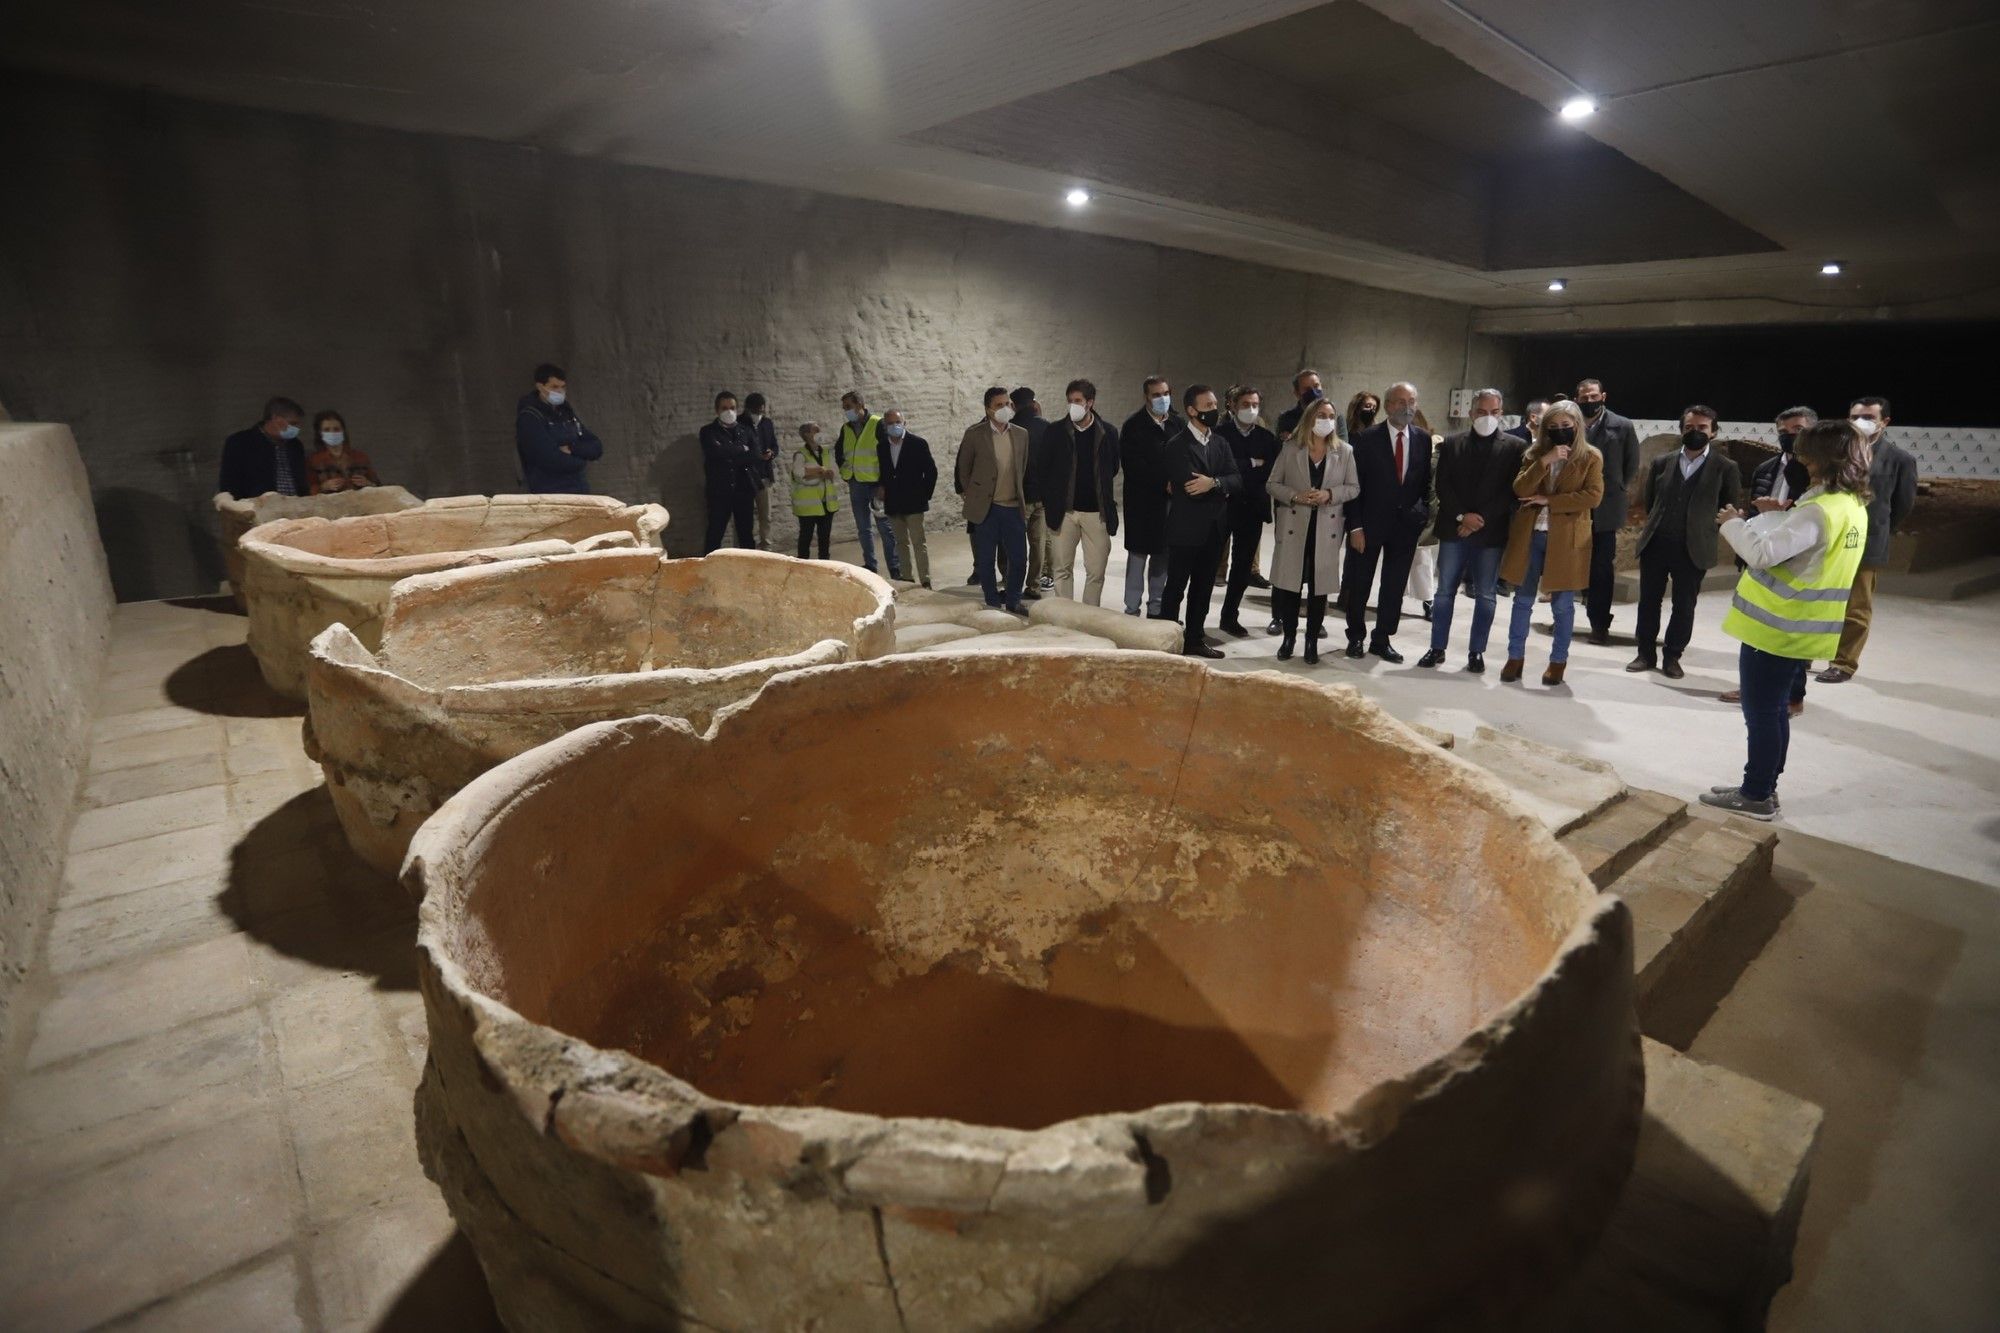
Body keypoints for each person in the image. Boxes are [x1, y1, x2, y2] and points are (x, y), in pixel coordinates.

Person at [1701, 419, 1873, 820]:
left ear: (1822, 459)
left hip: (1777, 626)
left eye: (1804, 452)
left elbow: (1762, 555)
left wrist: (1732, 524)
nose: (1797, 458)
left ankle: (1756, 794)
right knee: (1775, 711)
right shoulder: (1851, 505)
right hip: (1803, 628)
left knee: (1761, 713)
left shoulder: (1817, 511)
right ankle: (1763, 786)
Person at [1627, 405, 1743, 679]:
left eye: (1702, 428)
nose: (1695, 432)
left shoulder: (1725, 468)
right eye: (1689, 427)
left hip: (1694, 548)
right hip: (1657, 543)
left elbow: (1728, 507)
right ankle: (1645, 653)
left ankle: (1672, 656)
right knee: (1648, 602)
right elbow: (1652, 501)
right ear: (1681, 430)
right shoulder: (1662, 462)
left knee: (1684, 605)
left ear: (1713, 432)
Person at [1499, 399, 1604, 686]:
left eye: (1566, 426)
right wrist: (1545, 461)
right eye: (1554, 427)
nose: (1560, 431)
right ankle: (1515, 657)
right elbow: (1520, 488)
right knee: (1522, 601)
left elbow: (1593, 496)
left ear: (1577, 427)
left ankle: (1558, 662)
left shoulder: (1590, 457)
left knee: (1562, 606)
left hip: (1567, 538)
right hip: (1531, 535)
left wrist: (1550, 500)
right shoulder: (1534, 453)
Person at [1720, 407, 1818, 713]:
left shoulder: (1814, 477)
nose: (1791, 437)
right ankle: (1753, 687)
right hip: (1760, 553)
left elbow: (1806, 521)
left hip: (1794, 561)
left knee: (1790, 634)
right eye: (1785, 432)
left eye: (1798, 431)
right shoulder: (1765, 469)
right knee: (1757, 626)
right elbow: (1752, 511)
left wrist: (1779, 515)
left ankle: (1793, 696)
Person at [1418, 389, 1521, 673]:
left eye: (1494, 412)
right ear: (1471, 413)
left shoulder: (1515, 447)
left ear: (1501, 413)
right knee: (1444, 593)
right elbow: (1443, 487)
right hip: (1454, 529)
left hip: (1490, 532)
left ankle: (1476, 652)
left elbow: (1511, 491)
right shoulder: (1452, 444)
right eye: (1481, 411)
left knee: (1486, 595)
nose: (1487, 417)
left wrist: (1479, 519)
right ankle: (1437, 648)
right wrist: (1463, 517)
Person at [1817, 396, 1918, 684]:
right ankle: (1809, 650)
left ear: (1884, 422)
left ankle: (1843, 663)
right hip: (1830, 540)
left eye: (1869, 417)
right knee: (1821, 599)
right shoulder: (1837, 454)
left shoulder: (1900, 460)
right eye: (1855, 416)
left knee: (1856, 607)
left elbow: (1903, 505)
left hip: (1867, 543)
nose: (1860, 422)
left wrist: (1877, 529)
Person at [1341, 381, 1432, 662]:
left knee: (1394, 586)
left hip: (1405, 527)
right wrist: (1354, 526)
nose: (1407, 407)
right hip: (1368, 525)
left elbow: (1424, 482)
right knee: (1360, 583)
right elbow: (1354, 487)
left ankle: (1382, 639)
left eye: (1412, 401)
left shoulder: (1423, 438)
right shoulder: (1367, 439)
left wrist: (1421, 513)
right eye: (1401, 402)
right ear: (1388, 405)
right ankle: (1356, 636)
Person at [1267, 398, 1360, 663]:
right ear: (1310, 418)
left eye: (1331, 415)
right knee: (1290, 586)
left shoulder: (1345, 451)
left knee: (1319, 589)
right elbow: (1272, 484)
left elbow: (1353, 487)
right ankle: (1289, 638)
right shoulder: (1290, 449)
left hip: (1326, 529)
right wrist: (1295, 495)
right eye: (1321, 415)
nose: (1327, 420)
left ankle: (1311, 642)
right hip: (1295, 527)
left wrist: (1329, 494)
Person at [1159, 385, 1242, 658]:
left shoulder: (1220, 443)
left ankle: (1194, 638)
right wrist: (1218, 486)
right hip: (1186, 529)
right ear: (1192, 411)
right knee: (1175, 588)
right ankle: (1167, 640)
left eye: (1215, 405)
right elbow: (1190, 485)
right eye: (1207, 406)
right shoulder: (1176, 445)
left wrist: (1214, 482)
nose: (1213, 410)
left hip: (1214, 529)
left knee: (1203, 588)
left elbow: (1236, 479)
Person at [1041, 379, 1121, 605]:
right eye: (1070, 401)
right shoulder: (1055, 431)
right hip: (1064, 512)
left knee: (1096, 571)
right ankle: (1065, 618)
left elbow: (1113, 466)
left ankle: (1089, 616)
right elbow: (1043, 468)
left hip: (1097, 513)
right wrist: (1051, 501)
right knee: (1062, 568)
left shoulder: (1108, 432)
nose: (1072, 405)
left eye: (1077, 401)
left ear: (1090, 403)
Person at [1575, 378, 1640, 645]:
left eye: (1593, 396)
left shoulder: (1622, 426)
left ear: (1603, 395)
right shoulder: (1570, 422)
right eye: (1584, 397)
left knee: (1602, 568)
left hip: (1605, 509)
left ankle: (1599, 624)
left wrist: (1616, 487)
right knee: (1569, 564)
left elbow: (1631, 464)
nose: (1589, 402)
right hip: (1573, 507)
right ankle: (1563, 616)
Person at [958, 386, 1031, 612]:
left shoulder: (1021, 434)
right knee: (986, 561)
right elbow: (964, 468)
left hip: (1012, 507)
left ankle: (1013, 600)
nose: (1006, 408)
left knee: (1019, 559)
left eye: (1008, 404)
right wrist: (971, 493)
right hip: (986, 508)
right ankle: (991, 601)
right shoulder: (975, 434)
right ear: (989, 409)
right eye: (999, 405)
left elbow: (1023, 467)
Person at [1216, 385, 1280, 636]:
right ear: (1231, 405)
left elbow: (1271, 471)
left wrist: (1239, 468)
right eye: (1245, 404)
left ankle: (1229, 616)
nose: (1250, 409)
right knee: (1209, 563)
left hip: (1252, 508)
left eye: (1255, 405)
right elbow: (1219, 468)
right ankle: (1195, 618)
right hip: (1221, 506)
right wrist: (1252, 463)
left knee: (1242, 567)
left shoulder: (1266, 438)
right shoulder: (1219, 435)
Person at [1119, 377, 1178, 617]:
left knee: (1162, 555)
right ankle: (1132, 608)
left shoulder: (1177, 424)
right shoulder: (1134, 426)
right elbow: (1133, 465)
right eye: (1156, 395)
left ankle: (1156, 607)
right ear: (1146, 397)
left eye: (1165, 393)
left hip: (1169, 502)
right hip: (1142, 502)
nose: (1162, 398)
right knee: (1138, 556)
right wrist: (1163, 481)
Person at [835, 390, 901, 579]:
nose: (846, 411)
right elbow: (839, 452)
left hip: (875, 484)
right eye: (844, 408)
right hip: (856, 483)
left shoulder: (877, 424)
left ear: (859, 405)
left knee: (885, 528)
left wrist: (883, 484)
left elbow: (888, 455)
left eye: (848, 407)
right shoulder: (846, 428)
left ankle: (894, 568)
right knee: (863, 528)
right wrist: (845, 472)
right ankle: (870, 565)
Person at [516, 364, 602, 494]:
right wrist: (581, 460)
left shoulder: (566, 413)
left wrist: (572, 449)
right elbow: (548, 458)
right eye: (554, 387)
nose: (560, 391)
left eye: (563, 387)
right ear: (540, 387)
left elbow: (595, 446)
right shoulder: (530, 417)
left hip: (579, 488)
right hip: (549, 491)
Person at [877, 409, 937, 587]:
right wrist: (882, 487)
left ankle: (925, 580)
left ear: (904, 423)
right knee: (900, 542)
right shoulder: (881, 446)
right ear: (885, 426)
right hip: (894, 502)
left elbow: (931, 472)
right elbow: (885, 472)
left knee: (919, 542)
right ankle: (907, 578)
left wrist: (924, 495)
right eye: (889, 423)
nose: (894, 426)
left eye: (897, 422)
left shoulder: (917, 443)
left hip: (914, 502)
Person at [1004, 387, 1053, 599]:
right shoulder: (1048, 428)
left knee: (1014, 545)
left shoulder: (1010, 429)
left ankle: (1012, 586)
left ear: (1014, 405)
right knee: (1038, 544)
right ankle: (1033, 586)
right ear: (1033, 403)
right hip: (1043, 495)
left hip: (1018, 496)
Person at [700, 391, 760, 553]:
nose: (729, 411)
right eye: (724, 408)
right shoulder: (708, 432)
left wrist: (729, 453)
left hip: (743, 490)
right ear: (717, 410)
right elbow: (715, 453)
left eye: (732, 408)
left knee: (746, 535)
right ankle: (709, 571)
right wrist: (742, 449)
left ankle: (750, 570)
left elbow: (754, 455)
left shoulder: (745, 430)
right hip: (720, 491)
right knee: (715, 533)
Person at [218, 396, 309, 499]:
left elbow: (302, 482)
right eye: (292, 423)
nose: (296, 428)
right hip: (257, 509)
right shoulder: (240, 442)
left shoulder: (295, 445)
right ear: (275, 418)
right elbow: (229, 484)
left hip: (295, 508)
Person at [789, 423, 841, 559]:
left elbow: (834, 470)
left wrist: (817, 472)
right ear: (806, 434)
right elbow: (798, 474)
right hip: (808, 506)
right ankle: (802, 565)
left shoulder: (826, 451)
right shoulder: (800, 454)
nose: (819, 432)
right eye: (815, 430)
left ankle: (825, 565)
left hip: (826, 503)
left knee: (825, 538)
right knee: (806, 537)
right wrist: (820, 471)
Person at [304, 410, 380, 495]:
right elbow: (308, 492)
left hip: (360, 503)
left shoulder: (360, 457)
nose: (332, 433)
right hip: (331, 506)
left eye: (336, 429)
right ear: (320, 433)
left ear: (343, 431)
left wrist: (368, 484)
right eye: (326, 430)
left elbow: (378, 486)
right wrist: (323, 487)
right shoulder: (313, 460)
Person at [744, 393, 780, 550]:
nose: (759, 413)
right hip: (746, 477)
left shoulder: (767, 423)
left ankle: (766, 547)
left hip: (764, 476)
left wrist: (771, 453)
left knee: (765, 516)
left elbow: (775, 445)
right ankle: (746, 548)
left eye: (761, 409)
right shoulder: (740, 423)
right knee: (745, 517)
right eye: (756, 410)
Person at [1276, 369, 1328, 442]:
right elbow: (1281, 448)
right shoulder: (1286, 419)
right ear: (1297, 394)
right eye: (1307, 389)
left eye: (1316, 386)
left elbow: (1340, 448)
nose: (1313, 392)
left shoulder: (1334, 417)